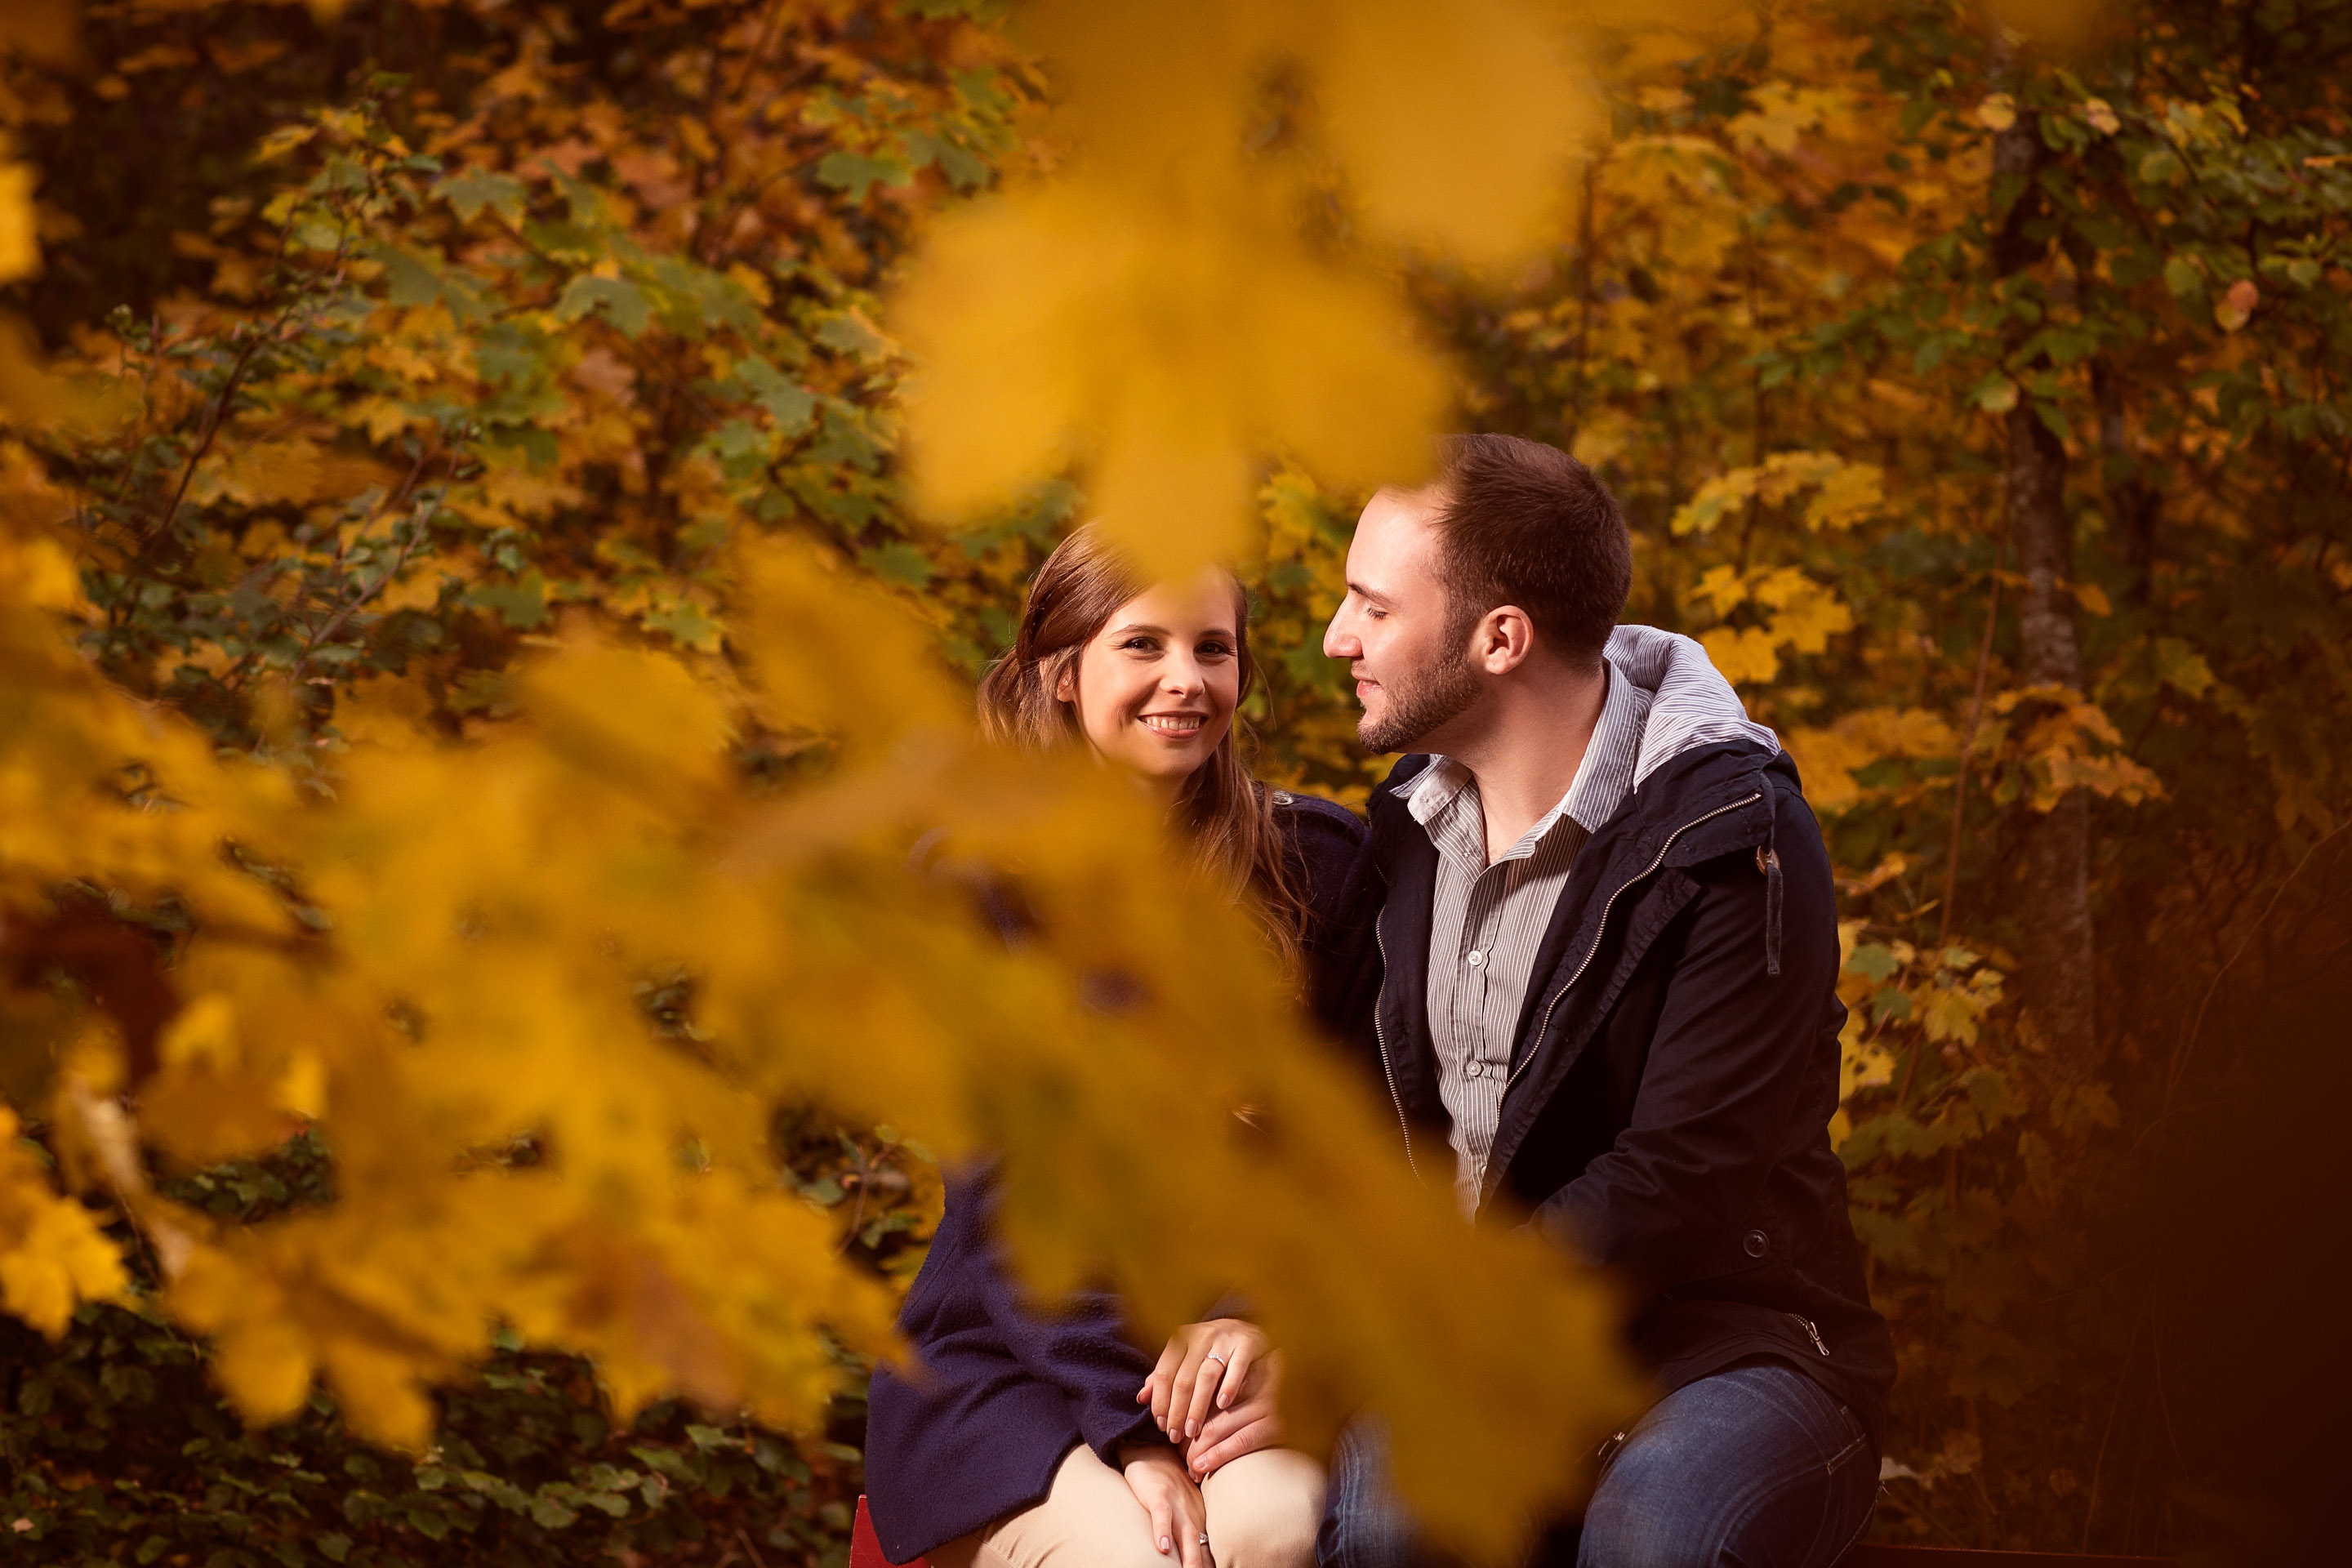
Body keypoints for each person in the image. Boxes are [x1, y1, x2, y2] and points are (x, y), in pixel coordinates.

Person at [1310, 434, 1895, 1568]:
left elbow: (1684, 1176)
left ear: (1500, 640)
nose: (1340, 638)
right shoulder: (1407, 831)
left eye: (1371, 609)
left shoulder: (1731, 838)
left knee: (1656, 1536)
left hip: (1731, 1341)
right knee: (1391, 1526)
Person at [864, 525, 1361, 1568]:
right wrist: (1129, 1434)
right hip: (1020, 1357)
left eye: (1212, 649)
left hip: (1228, 1350)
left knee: (1273, 1530)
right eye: (1142, 645)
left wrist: (1260, 1325)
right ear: (1059, 673)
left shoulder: (1317, 868)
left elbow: (1355, 1146)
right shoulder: (974, 882)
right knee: (1144, 1560)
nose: (1184, 680)